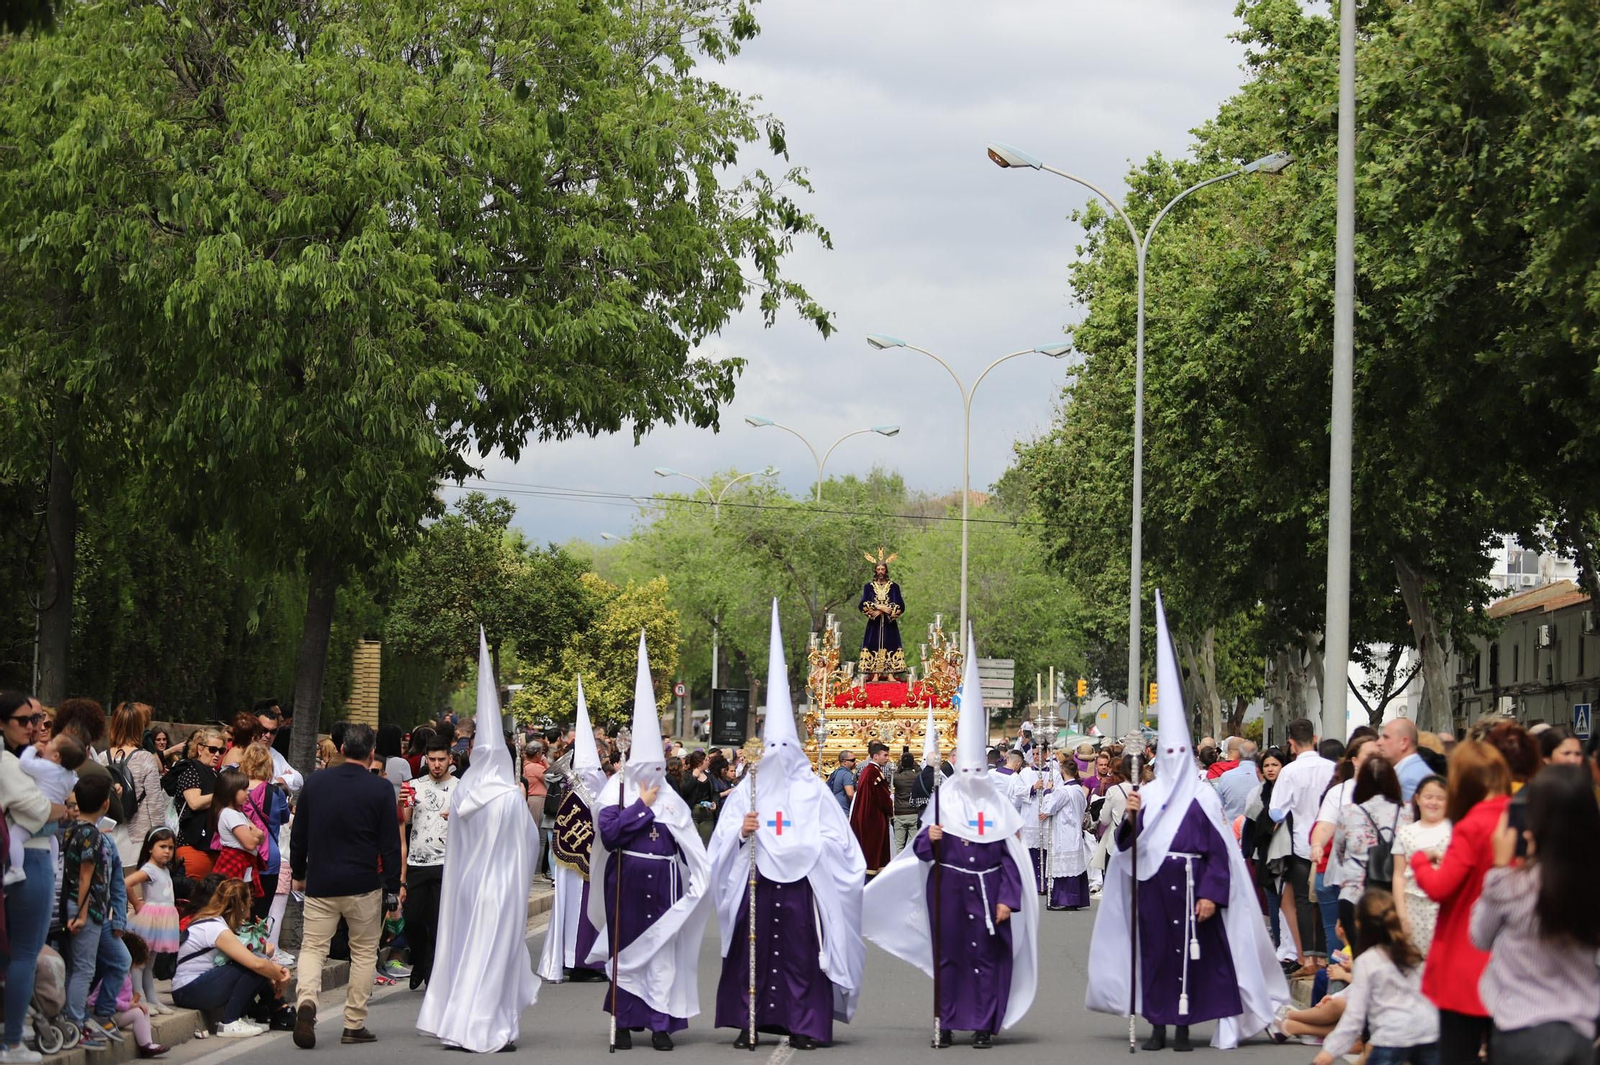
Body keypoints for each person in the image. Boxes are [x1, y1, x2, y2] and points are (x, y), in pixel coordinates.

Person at [1087, 594, 1287, 1051]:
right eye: (1169, 753)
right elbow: (1123, 845)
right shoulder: (1148, 794)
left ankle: (1183, 1027)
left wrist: (1214, 896)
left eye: (1182, 752)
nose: (1175, 761)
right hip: (1154, 890)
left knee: (1196, 959)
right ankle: (1157, 1025)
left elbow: (1220, 853)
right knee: (1156, 956)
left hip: (1195, 889)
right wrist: (1132, 817)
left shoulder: (1201, 797)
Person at [865, 629, 1037, 1048]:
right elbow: (921, 851)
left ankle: (982, 1025)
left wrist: (1005, 900)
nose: (975, 779)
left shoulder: (997, 806)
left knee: (985, 960)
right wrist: (933, 836)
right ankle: (946, 1023)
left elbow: (1012, 859)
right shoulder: (944, 799)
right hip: (948, 893)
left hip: (989, 891)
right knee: (951, 960)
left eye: (981, 771)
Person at [708, 602, 865, 1049]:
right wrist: (743, 832)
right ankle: (750, 1022)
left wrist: (810, 847)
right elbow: (723, 839)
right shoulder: (749, 791)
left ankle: (807, 1025)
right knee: (751, 954)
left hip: (802, 890)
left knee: (801, 957)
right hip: (756, 883)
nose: (777, 753)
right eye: (769, 746)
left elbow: (843, 845)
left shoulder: (814, 791)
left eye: (784, 746)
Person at [584, 632, 712, 1051]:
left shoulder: (671, 797)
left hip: (666, 890)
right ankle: (623, 1024)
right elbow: (610, 833)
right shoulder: (615, 792)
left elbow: (689, 843)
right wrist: (641, 804)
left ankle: (660, 1024)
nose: (653, 772)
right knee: (627, 955)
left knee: (661, 958)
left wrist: (698, 881)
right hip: (626, 887)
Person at [417, 630, 541, 1053]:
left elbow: (456, 841)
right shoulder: (508, 795)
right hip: (501, 888)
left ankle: (458, 1020)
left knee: (468, 950)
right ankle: (491, 1025)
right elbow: (528, 846)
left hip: (468, 887)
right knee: (496, 957)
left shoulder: (466, 793)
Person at [1470, 764, 1600, 1065]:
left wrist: (1500, 869)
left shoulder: (1514, 885)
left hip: (1521, 1031)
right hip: (1580, 1033)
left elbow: (1480, 936)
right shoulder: (1591, 884)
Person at [289, 722, 403, 1049]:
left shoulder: (316, 783)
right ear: (371, 753)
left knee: (313, 947)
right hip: (363, 884)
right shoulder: (379, 789)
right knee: (364, 952)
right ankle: (353, 1023)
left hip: (322, 881)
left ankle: (307, 1001)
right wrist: (393, 885)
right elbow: (389, 845)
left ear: (340, 749)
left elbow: (300, 834)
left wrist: (299, 870)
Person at [1408, 740, 1512, 1063]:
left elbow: (1441, 887)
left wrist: (1421, 862)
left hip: (1465, 956)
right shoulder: (1523, 818)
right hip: (1512, 958)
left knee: (1457, 1051)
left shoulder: (1472, 826)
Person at [1, 692, 67, 1065]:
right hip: (32, 856)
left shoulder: (20, 760)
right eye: (25, 720)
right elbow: (42, 810)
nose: (34, 726)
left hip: (28, 854)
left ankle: (16, 1030)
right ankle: (12, 1042)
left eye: (39, 718)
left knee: (15, 953)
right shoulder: (9, 763)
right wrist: (69, 808)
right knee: (25, 953)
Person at [1312, 888, 1439, 1065]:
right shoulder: (1412, 952)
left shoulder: (1367, 960)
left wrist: (1329, 1052)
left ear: (1359, 925)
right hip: (1428, 1030)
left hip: (1392, 1035)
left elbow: (1354, 1016)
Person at [537, 679, 606, 986]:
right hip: (580, 865)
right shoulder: (573, 791)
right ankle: (578, 962)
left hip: (594, 863)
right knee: (578, 911)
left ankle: (587, 960)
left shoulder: (592, 788)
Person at [62, 773, 133, 1052]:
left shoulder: (76, 831)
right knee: (83, 968)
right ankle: (76, 1024)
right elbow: (84, 877)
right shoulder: (88, 834)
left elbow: (111, 879)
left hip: (95, 912)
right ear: (105, 804)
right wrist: (80, 913)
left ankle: (96, 1015)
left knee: (116, 961)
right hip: (86, 910)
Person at [170, 878, 290, 1038]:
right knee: (253, 965)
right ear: (241, 904)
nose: (251, 906)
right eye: (249, 901)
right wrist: (281, 975)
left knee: (256, 962)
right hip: (188, 990)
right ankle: (229, 1022)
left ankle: (242, 1016)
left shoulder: (216, 922)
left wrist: (275, 972)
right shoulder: (215, 927)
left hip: (192, 988)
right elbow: (256, 964)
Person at [1269, 716, 1335, 974]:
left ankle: (1307, 959)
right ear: (1315, 739)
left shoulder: (1289, 772)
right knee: (1324, 898)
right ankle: (1324, 956)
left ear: (1291, 743)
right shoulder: (1331, 767)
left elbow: (1276, 811)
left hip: (1300, 844)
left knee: (1303, 901)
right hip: (1328, 843)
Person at [1333, 756, 1411, 937]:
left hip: (1355, 895)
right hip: (1396, 898)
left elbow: (1340, 854)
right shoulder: (1407, 811)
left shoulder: (1349, 812)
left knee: (1361, 959)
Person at [401, 740, 456, 992]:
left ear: (450, 760)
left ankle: (432, 971)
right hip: (417, 863)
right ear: (426, 760)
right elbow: (403, 821)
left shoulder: (460, 788)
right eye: (432, 760)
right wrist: (402, 805)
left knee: (436, 922)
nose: (436, 765)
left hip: (447, 863)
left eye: (441, 760)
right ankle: (420, 960)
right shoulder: (413, 786)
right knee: (411, 920)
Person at [4, 731, 83, 884]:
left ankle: (16, 868)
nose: (46, 744)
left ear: (55, 756)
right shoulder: (69, 776)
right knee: (52, 839)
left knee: (14, 837)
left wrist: (32, 748)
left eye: (51, 744)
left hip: (38, 818)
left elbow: (24, 763)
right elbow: (68, 792)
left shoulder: (46, 767)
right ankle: (54, 865)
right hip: (53, 824)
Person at [101, 702, 166, 866]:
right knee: (134, 889)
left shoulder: (101, 758)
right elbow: (155, 804)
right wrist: (162, 838)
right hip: (137, 838)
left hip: (106, 833)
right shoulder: (145, 758)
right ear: (139, 727)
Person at [1391, 776, 1450, 957]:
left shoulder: (1455, 831)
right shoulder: (1405, 833)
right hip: (1413, 907)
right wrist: (1401, 914)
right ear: (1417, 799)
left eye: (1440, 798)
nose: (1434, 802)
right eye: (1428, 797)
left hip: (1445, 908)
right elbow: (1399, 875)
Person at [125, 828, 181, 1011]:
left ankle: (152, 998)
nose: (167, 851)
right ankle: (138, 998)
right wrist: (137, 903)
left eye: (171, 847)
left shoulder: (164, 870)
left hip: (162, 921)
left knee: (150, 964)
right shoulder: (149, 869)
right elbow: (126, 883)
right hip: (150, 920)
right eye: (162, 846)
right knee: (140, 962)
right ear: (150, 848)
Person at [91, 932, 170, 1057]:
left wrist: (135, 1004)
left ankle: (148, 1041)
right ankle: (146, 1045)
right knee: (138, 1012)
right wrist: (129, 1005)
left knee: (143, 1009)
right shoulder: (117, 977)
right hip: (106, 1014)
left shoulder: (124, 975)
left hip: (115, 1012)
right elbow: (108, 1000)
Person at [237, 746, 290, 919]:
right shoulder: (276, 792)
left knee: (237, 914)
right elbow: (284, 817)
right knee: (260, 915)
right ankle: (257, 944)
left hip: (241, 857)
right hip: (269, 859)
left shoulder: (236, 790)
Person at [164, 727, 224, 878]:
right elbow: (194, 803)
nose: (217, 754)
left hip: (209, 847)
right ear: (200, 749)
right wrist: (224, 793)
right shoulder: (191, 769)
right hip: (191, 845)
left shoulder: (213, 773)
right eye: (212, 749)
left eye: (221, 751)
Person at [1040, 754, 1090, 910]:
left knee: (1065, 869)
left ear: (1062, 771)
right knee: (1074, 868)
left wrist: (1048, 791)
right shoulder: (1079, 790)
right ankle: (1076, 899)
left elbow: (1048, 808)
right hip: (1075, 831)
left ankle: (1065, 900)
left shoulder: (1064, 791)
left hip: (1064, 833)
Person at [209, 767, 265, 899]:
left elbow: (260, 837)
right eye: (244, 790)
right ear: (231, 791)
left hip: (244, 864)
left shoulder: (238, 813)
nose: (248, 793)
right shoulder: (229, 814)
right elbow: (250, 843)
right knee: (233, 903)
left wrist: (258, 835)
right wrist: (257, 835)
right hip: (235, 861)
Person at [858, 551, 906, 680]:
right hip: (874, 624)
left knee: (890, 644)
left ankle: (891, 674)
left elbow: (900, 604)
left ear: (886, 570)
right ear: (875, 570)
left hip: (890, 623)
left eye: (882, 569)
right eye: (878, 569)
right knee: (873, 644)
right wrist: (879, 607)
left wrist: (887, 610)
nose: (880, 571)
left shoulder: (894, 587)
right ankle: (875, 674)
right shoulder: (868, 587)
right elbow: (863, 603)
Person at [848, 741, 893, 875]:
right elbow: (882, 798)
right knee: (873, 848)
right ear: (875, 757)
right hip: (873, 817)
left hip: (866, 815)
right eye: (885, 755)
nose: (887, 758)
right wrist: (890, 809)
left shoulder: (868, 771)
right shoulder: (874, 773)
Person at [250, 701, 304, 795]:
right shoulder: (243, 753)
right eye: (264, 730)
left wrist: (282, 779)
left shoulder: (274, 754)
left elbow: (299, 779)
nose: (268, 735)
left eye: (273, 732)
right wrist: (277, 783)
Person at [1214, 739, 1259, 822]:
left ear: (1239, 754)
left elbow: (1218, 806)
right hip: (1256, 830)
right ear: (1256, 754)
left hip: (1231, 831)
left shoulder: (1226, 777)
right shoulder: (1262, 777)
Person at [890, 747, 922, 856]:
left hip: (900, 813)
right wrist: (914, 763)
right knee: (914, 844)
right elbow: (920, 771)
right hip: (913, 812)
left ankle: (898, 865)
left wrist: (900, 764)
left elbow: (895, 772)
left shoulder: (897, 777)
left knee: (899, 845)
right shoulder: (916, 776)